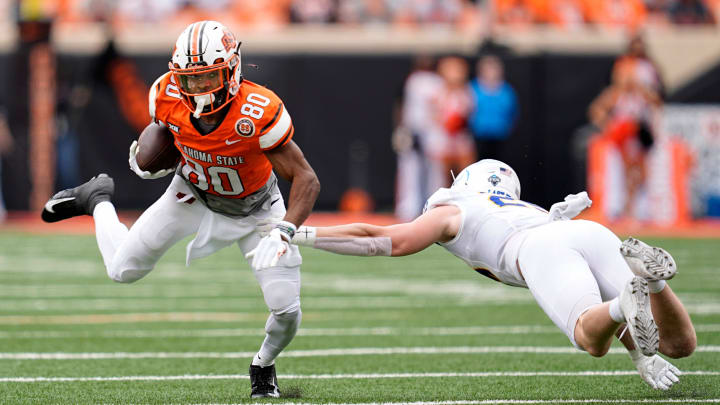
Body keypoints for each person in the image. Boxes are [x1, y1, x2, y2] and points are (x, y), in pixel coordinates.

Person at [40, 20, 321, 399]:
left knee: (286, 310)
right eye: (190, 81)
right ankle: (97, 197)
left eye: (207, 79)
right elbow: (163, 144)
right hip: (192, 194)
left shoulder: (258, 111)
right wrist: (148, 162)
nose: (199, 90)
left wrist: (285, 228)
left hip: (257, 210)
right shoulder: (164, 95)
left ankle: (263, 363)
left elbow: (307, 179)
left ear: (232, 70)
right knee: (121, 269)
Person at [259, 159, 696, 390]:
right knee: (679, 345)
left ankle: (628, 297)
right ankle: (653, 281)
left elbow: (384, 238)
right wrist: (641, 354)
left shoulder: (455, 206)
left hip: (541, 247)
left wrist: (301, 234)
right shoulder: (529, 209)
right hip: (587, 232)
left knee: (589, 337)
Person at [468, 55, 517, 162]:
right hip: (478, 135)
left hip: (500, 135)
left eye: (494, 69)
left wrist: (506, 127)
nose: (491, 72)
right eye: (488, 69)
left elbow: (512, 112)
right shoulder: (472, 89)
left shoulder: (506, 90)